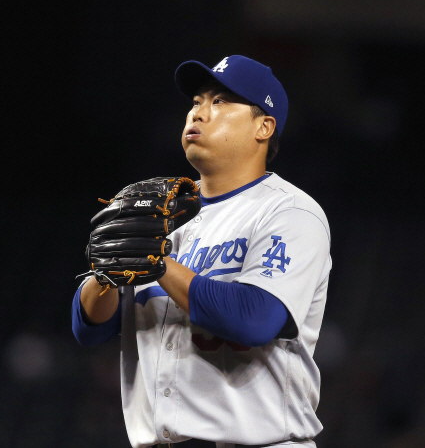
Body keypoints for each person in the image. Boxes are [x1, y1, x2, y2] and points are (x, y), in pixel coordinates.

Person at [72, 55, 332, 448]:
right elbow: (90, 329)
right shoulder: (162, 214)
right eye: (196, 101)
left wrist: (156, 263)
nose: (199, 113)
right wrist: (104, 274)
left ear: (264, 127)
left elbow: (256, 319)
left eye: (222, 101)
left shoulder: (290, 212)